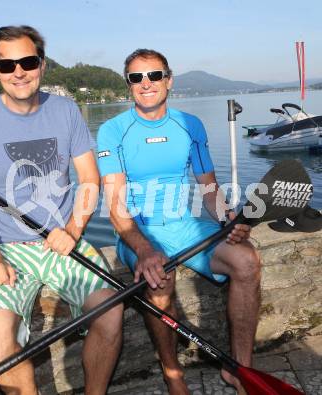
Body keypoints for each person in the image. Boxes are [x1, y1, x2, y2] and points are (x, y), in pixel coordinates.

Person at [0, 25, 123, 395]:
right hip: (9, 251)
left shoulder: (65, 110)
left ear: (42, 65)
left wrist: (73, 230)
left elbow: (89, 179)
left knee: (110, 309)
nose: (19, 71)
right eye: (8, 64)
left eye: (28, 61)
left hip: (63, 240)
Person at [97, 49, 260, 395]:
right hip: (138, 231)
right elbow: (115, 206)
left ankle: (240, 369)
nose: (146, 84)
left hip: (184, 225)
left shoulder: (189, 125)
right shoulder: (113, 131)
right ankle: (173, 373)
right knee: (160, 282)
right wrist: (143, 250)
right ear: (128, 85)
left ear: (168, 80)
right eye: (136, 77)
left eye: (154, 75)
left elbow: (209, 188)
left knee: (247, 260)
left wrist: (229, 219)